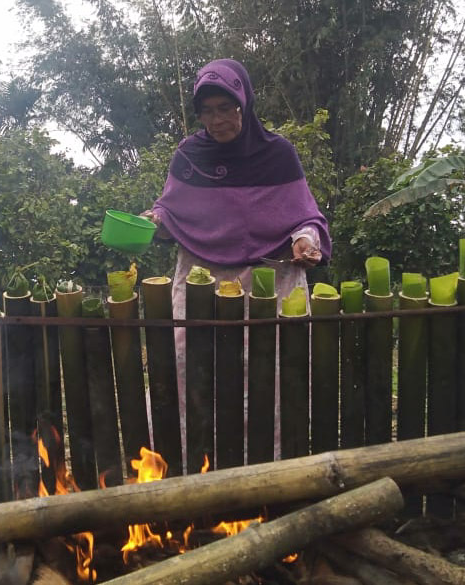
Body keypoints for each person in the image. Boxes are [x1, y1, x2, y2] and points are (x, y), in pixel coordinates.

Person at [141, 59, 332, 468]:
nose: (217, 120)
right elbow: (169, 211)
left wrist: (304, 241)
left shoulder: (278, 155)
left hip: (267, 280)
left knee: (271, 373)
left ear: (244, 105)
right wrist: (152, 221)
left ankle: (268, 470)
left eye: (225, 108)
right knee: (184, 364)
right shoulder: (190, 156)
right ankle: (187, 467)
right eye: (207, 111)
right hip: (201, 279)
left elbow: (305, 216)